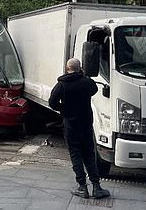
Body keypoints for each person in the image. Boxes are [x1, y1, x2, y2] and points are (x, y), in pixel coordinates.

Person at [48, 58, 110, 199]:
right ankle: (96, 186)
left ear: (67, 68)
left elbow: (52, 102)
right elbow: (94, 89)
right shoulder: (86, 82)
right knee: (89, 154)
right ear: (80, 68)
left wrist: (64, 109)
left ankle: (82, 186)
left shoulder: (61, 84)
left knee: (75, 154)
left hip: (71, 125)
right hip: (86, 124)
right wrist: (83, 75)